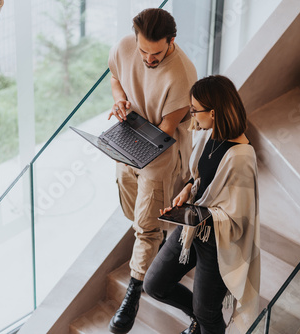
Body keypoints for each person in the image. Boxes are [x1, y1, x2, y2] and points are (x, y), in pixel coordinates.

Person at [143, 75, 261, 334]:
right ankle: (196, 319)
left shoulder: (242, 157)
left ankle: (202, 322)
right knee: (154, 284)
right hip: (193, 228)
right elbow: (201, 178)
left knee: (208, 312)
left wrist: (197, 214)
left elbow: (239, 217)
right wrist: (188, 190)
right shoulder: (210, 135)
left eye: (195, 111)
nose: (193, 116)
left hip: (218, 242)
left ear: (214, 112)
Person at [107, 8, 197, 334]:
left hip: (160, 150)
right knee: (131, 206)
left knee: (145, 226)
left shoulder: (183, 75)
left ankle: (133, 293)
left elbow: (166, 129)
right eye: (142, 50)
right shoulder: (126, 47)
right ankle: (153, 240)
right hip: (128, 140)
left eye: (155, 53)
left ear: (171, 42)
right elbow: (116, 76)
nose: (147, 58)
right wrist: (120, 102)